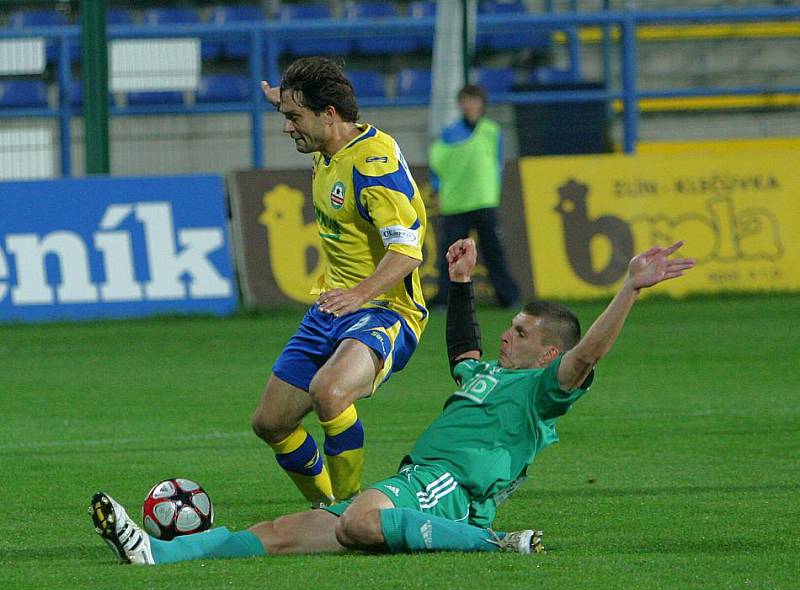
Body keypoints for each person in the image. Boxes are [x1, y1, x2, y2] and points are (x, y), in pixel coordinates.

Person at [89, 237, 694, 565]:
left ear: (545, 356)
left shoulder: (541, 391)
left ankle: (499, 543)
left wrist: (629, 290)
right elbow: (462, 349)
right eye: (510, 326)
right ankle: (157, 553)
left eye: (522, 332)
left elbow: (586, 354)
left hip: (447, 488)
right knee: (276, 532)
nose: (507, 334)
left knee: (356, 520)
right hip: (419, 483)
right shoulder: (487, 374)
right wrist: (458, 286)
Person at [253, 57, 428, 506]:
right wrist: (283, 98)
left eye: (294, 117)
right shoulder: (328, 145)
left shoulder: (372, 166)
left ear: (328, 115)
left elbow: (407, 251)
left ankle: (349, 513)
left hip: (386, 311)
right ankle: (327, 505)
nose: (287, 127)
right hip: (333, 308)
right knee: (271, 422)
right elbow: (304, 113)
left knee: (329, 393)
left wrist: (360, 294)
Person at [428, 84, 520, 309]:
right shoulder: (449, 134)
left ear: (481, 103)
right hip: (456, 203)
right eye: (467, 100)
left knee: (493, 251)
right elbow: (436, 164)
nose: (471, 105)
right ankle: (445, 299)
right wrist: (439, 187)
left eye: (475, 100)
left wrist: (492, 189)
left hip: (483, 201)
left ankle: (507, 297)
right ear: (461, 104)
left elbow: (498, 164)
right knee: (449, 255)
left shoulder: (491, 131)